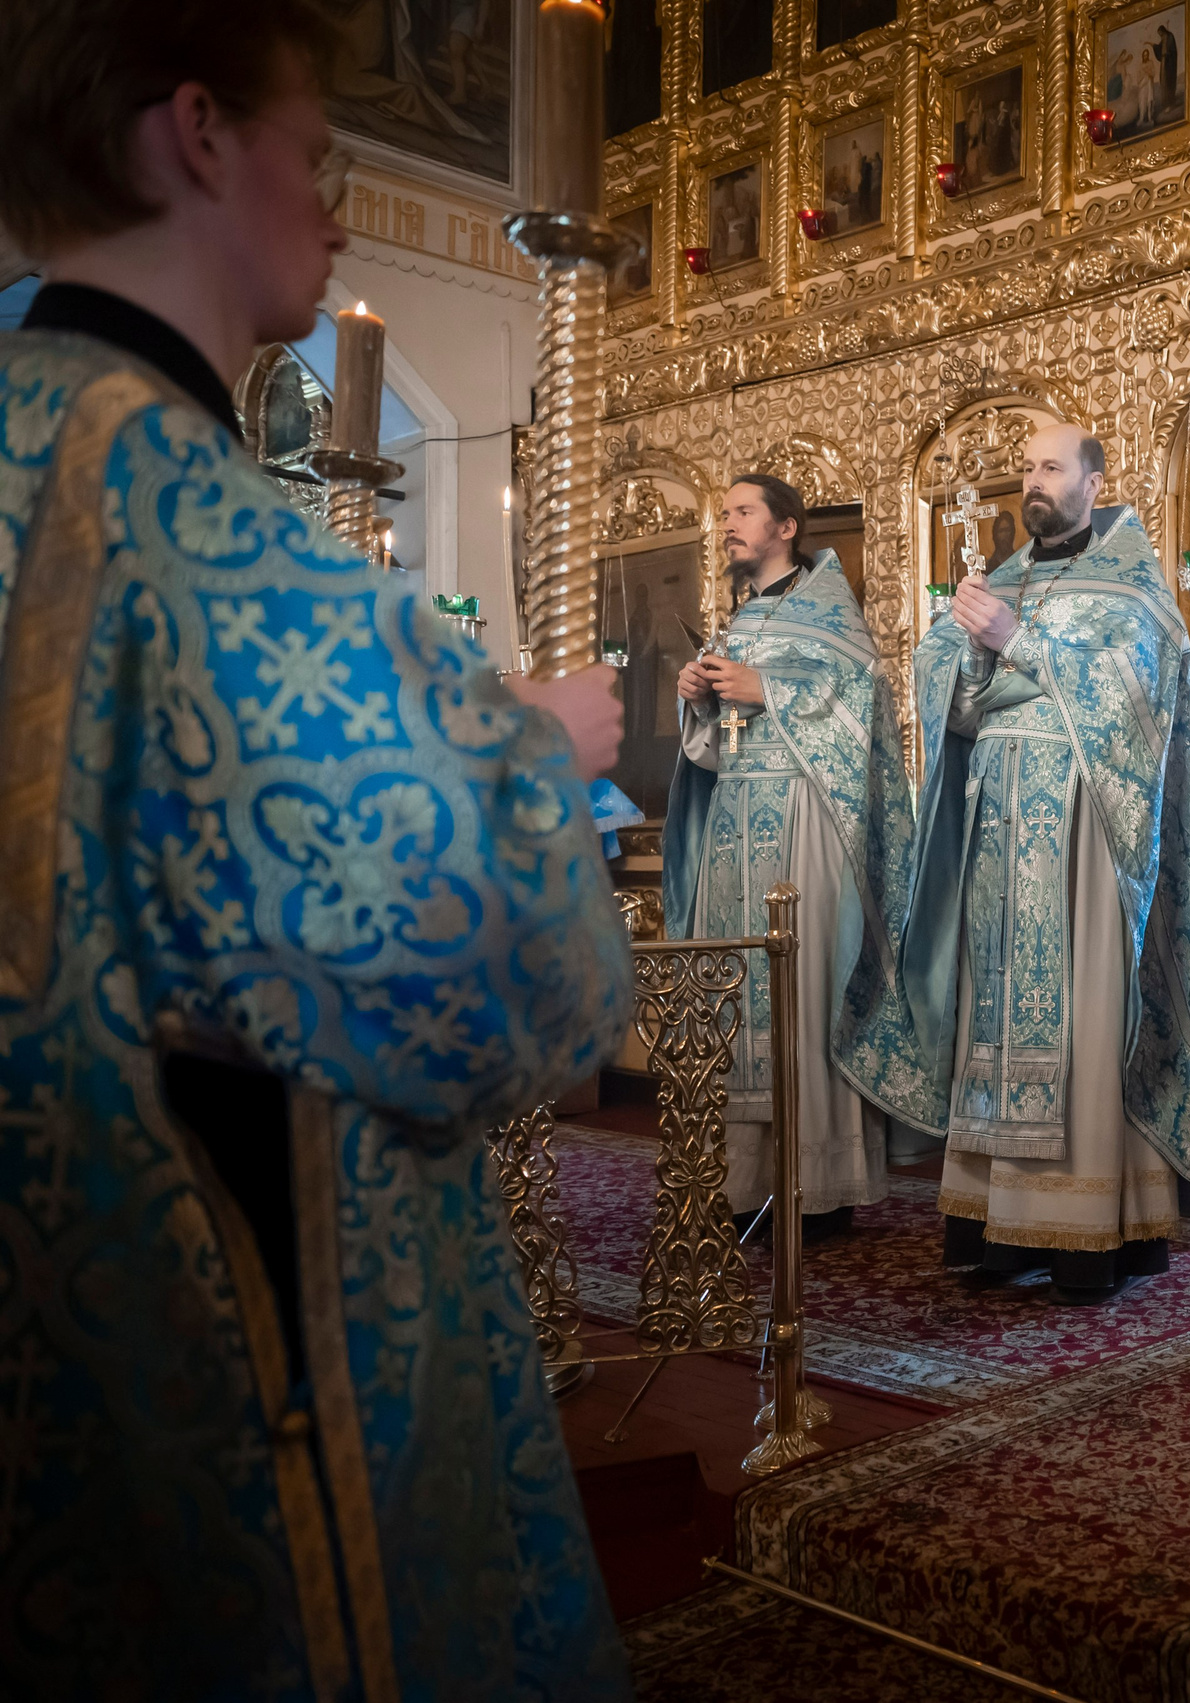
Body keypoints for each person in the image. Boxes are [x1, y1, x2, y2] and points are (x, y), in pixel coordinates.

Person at [0, 3, 635, 1694]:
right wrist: (531, 749)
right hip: (224, 1334)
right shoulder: (209, 526)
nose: (337, 205)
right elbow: (508, 982)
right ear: (194, 132)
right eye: (317, 153)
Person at [907, 423, 1190, 1303]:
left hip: (1086, 827)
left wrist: (1017, 644)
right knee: (994, 1022)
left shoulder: (1133, 584)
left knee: (1081, 1018)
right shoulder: (1004, 573)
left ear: (1094, 482)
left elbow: (1132, 696)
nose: (1033, 479)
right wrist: (981, 646)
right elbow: (945, 692)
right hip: (999, 828)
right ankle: (996, 1226)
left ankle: (1087, 1234)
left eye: (1052, 466)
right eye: (1026, 465)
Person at [667, 475, 945, 1239]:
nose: (729, 524)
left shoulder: (830, 614)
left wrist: (771, 689)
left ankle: (815, 1190)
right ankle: (739, 1183)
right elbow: (714, 750)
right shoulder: (738, 618)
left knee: (804, 991)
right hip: (735, 831)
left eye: (743, 512)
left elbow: (862, 707)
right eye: (725, 513)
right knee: (733, 992)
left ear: (786, 526)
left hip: (804, 829)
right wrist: (697, 697)